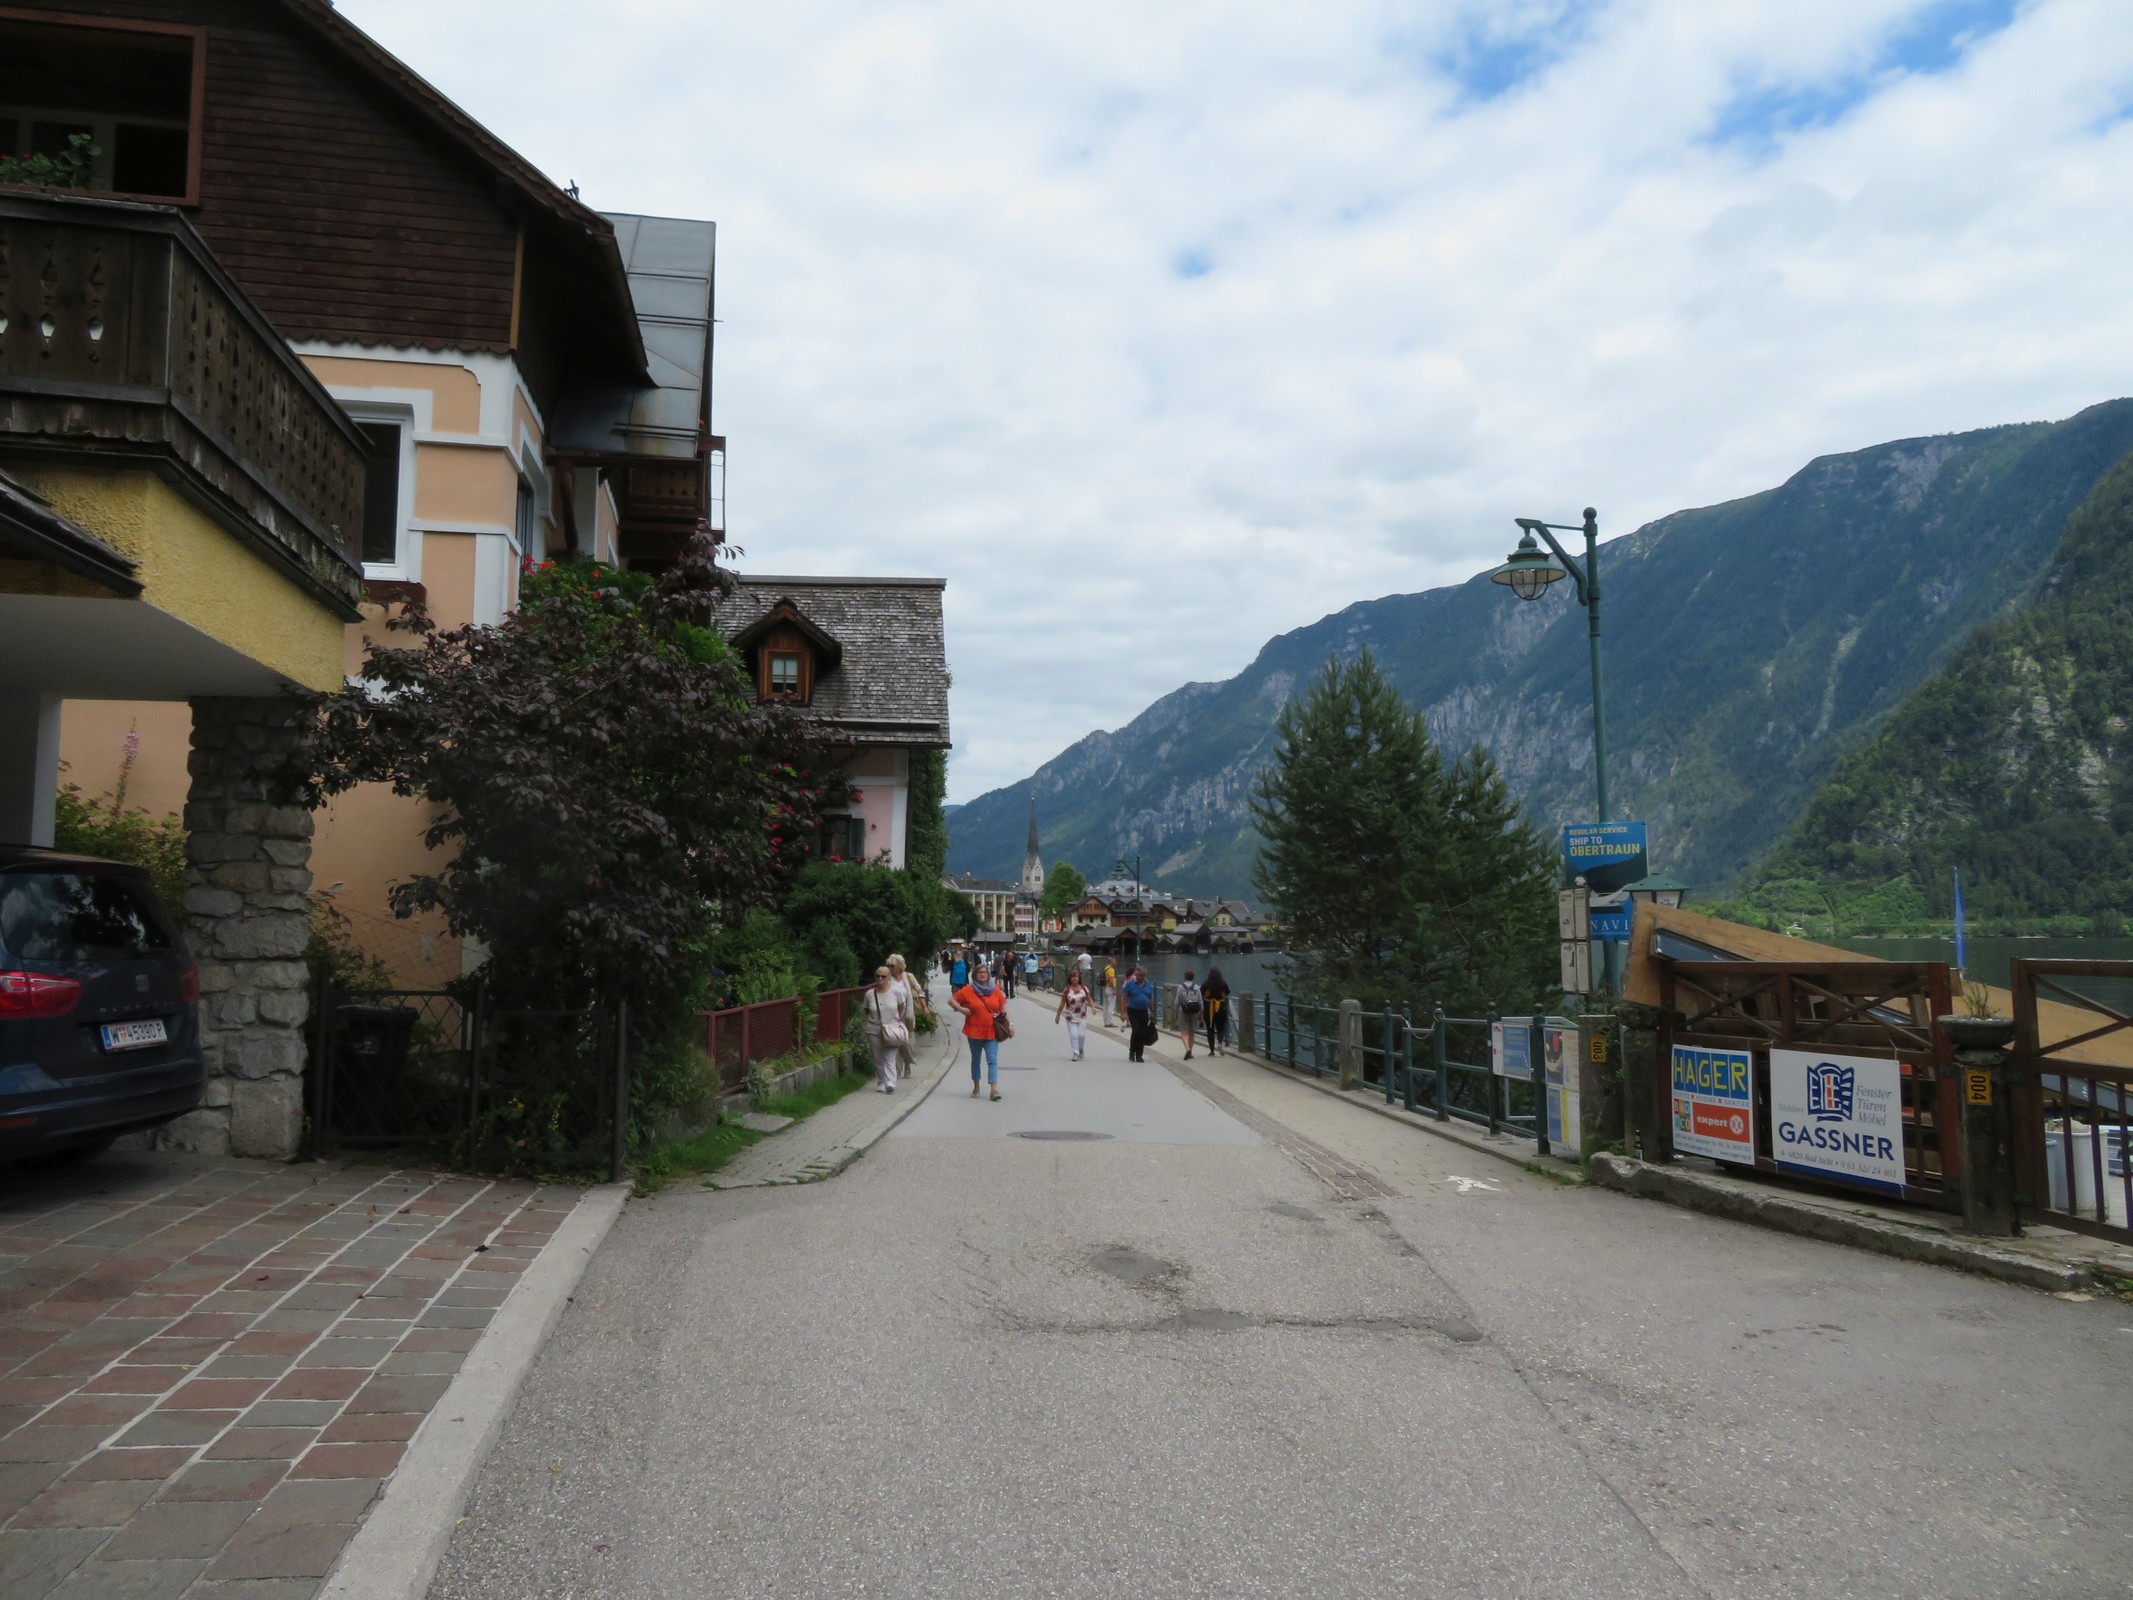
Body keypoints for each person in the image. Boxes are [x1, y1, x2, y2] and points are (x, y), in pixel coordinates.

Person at [951, 960, 1008, 1101]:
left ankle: (993, 1090)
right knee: (976, 1060)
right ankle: (976, 1086)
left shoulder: (995, 989)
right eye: (979, 973)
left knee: (992, 1060)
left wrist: (1009, 1024)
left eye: (984, 972)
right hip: (974, 1031)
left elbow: (1003, 1008)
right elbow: (952, 1000)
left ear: (988, 975)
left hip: (991, 1031)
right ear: (975, 975)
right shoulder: (968, 990)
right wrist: (962, 1009)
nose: (982, 975)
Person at [863, 965, 911, 1093]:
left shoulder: (896, 992)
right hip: (874, 1030)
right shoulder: (869, 994)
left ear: (888, 977)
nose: (880, 979)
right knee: (878, 1057)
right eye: (877, 976)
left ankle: (890, 1082)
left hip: (892, 1030)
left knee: (889, 1057)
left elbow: (901, 1008)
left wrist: (893, 1020)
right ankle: (882, 1081)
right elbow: (867, 1009)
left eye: (883, 976)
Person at [886, 952, 927, 1078]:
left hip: (907, 1016)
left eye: (892, 966)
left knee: (906, 1042)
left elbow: (920, 991)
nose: (890, 968)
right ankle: (897, 1069)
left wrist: (925, 1007)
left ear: (899, 966)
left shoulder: (908, 977)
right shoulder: (887, 978)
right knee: (894, 1042)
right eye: (889, 966)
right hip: (892, 1015)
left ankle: (907, 1065)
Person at [1054, 968, 1093, 1060]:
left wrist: (1093, 1007)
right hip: (1070, 1016)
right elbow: (1062, 1003)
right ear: (1070, 979)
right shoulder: (1067, 990)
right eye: (1072, 977)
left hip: (1082, 1015)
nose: (1074, 978)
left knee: (1081, 1035)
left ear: (1079, 978)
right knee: (1074, 1035)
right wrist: (1058, 1015)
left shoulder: (1084, 988)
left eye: (1076, 977)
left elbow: (1089, 998)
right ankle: (1075, 1053)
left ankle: (1081, 1049)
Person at [1119, 965, 1154, 1062]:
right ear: (1136, 975)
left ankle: (1139, 1054)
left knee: (1142, 1033)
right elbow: (1124, 997)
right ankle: (1132, 1051)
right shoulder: (1130, 984)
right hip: (1132, 1010)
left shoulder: (1148, 984)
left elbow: (1150, 998)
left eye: (1144, 975)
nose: (1142, 977)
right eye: (1140, 975)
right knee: (1136, 1031)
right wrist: (1123, 1012)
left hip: (1143, 1010)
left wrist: (1152, 1011)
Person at [1203, 966, 1231, 1056]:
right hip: (1220, 1007)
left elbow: (1201, 992)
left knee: (1210, 1028)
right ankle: (1220, 1043)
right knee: (1221, 1027)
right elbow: (1227, 992)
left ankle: (1212, 1050)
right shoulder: (1222, 983)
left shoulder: (1206, 983)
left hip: (1208, 1008)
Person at [1176, 969, 1204, 1060]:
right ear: (1193, 977)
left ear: (1185, 977)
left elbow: (1177, 1001)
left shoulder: (1181, 987)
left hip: (1183, 1011)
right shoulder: (1196, 987)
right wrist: (1201, 1014)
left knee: (1184, 1032)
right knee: (1192, 1032)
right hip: (1195, 1011)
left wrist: (1175, 1011)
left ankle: (1187, 1048)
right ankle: (1190, 1051)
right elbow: (1200, 1001)